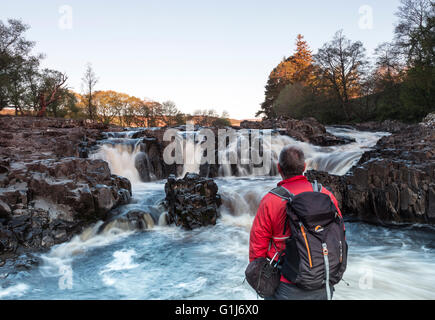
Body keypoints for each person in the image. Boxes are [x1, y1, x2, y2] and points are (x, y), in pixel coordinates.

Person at [249, 145, 343, 300]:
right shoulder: (326, 195)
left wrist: (261, 279)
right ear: (304, 167)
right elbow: (340, 233)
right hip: (324, 280)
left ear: (279, 168)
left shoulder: (271, 201)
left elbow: (257, 247)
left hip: (286, 283)